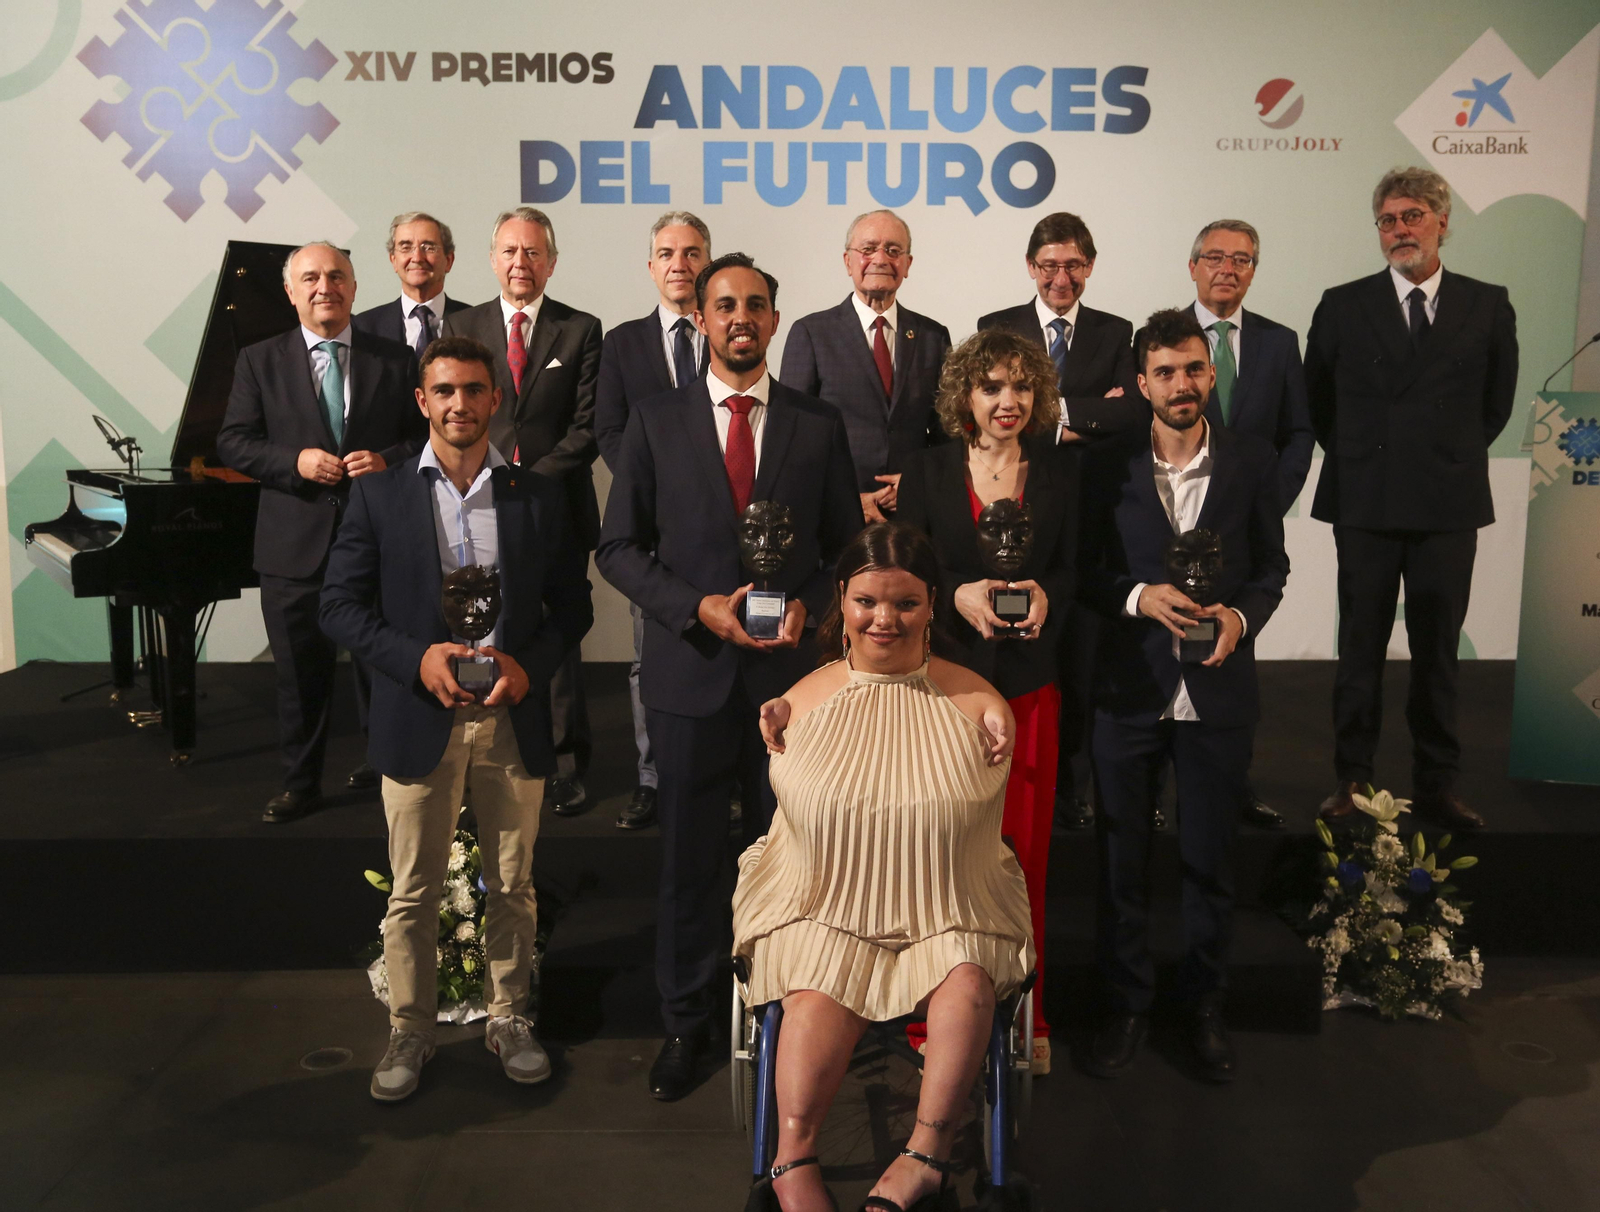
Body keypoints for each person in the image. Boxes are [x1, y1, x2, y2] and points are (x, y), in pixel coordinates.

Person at [596, 252, 862, 1102]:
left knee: (802, 858)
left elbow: (845, 551)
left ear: (775, 321)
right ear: (701, 320)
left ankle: (791, 1014)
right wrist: (696, 607)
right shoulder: (654, 418)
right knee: (688, 862)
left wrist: (811, 609)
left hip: (792, 682)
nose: (740, 317)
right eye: (723, 305)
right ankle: (686, 1019)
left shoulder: (818, 423)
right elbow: (619, 549)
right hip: (691, 676)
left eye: (755, 304)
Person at [320, 334, 592, 1102]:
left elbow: (573, 604)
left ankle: (508, 1015)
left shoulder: (534, 496)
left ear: (495, 399)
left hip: (511, 718)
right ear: (422, 400)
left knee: (513, 884)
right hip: (419, 715)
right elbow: (337, 606)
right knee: (412, 889)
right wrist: (417, 659)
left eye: (474, 390)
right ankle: (412, 1026)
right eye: (444, 391)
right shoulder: (380, 495)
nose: (460, 405)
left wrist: (524, 665)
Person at [735, 522, 1033, 1212]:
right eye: (868, 601)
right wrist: (787, 708)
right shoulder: (799, 703)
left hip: (949, 899)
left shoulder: (975, 706)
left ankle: (925, 1156)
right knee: (811, 988)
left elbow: (980, 814)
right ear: (842, 600)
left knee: (965, 984)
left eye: (906, 603)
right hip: (821, 898)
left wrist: (997, 716)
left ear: (934, 605)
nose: (885, 619)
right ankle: (791, 1156)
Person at [1078, 308, 1289, 1084]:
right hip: (1129, 689)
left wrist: (1239, 615)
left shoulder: (1253, 461)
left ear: (1211, 373)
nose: (1182, 384)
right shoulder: (1106, 466)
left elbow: (1272, 567)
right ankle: (1127, 1004)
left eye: (1194, 369)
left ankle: (1204, 1004)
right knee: (1120, 861)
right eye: (1165, 372)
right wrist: (1138, 598)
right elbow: (1088, 574)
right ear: (1141, 383)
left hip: (1220, 693)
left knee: (1209, 861)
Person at [1306, 167, 1518, 831]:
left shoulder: (1487, 303)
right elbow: (1320, 404)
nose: (1401, 230)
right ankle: (1353, 780)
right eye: (1390, 220)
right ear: (1379, 231)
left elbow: (1496, 405)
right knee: (1359, 650)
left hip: (1447, 504)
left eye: (1414, 216)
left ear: (1443, 223)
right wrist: (1371, 456)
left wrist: (1441, 455)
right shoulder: (1343, 304)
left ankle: (1437, 786)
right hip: (1365, 501)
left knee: (1438, 655)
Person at [897, 329, 1076, 1076]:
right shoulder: (930, 468)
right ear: (965, 397)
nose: (1008, 401)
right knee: (940, 857)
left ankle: (1025, 1014)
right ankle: (930, 1020)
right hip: (948, 691)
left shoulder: (1064, 473)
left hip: (1032, 689)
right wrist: (954, 596)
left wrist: (1046, 595)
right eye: (992, 387)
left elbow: (1078, 574)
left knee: (1023, 857)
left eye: (1021, 387)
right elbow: (903, 578)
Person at [217, 241, 424, 822]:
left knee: (384, 670)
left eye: (337, 276)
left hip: (378, 544)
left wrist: (388, 459)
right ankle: (300, 783)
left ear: (355, 288)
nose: (324, 286)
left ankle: (391, 775)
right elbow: (233, 441)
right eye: (310, 277)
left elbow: (422, 440)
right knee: (300, 678)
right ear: (291, 292)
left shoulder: (397, 358)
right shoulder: (260, 359)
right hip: (291, 547)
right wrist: (294, 462)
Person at [978, 212, 1142, 833]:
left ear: (1090, 267)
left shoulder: (1114, 331)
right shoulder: (997, 328)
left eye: (1073, 265)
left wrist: (1047, 412)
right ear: (1030, 267)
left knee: (1080, 655)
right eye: (1049, 265)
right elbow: (987, 410)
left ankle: (1070, 786)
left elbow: (1130, 416)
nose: (1061, 277)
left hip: (1091, 511)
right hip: (1012, 507)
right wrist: (1081, 417)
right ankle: (997, 774)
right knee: (1014, 648)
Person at [444, 207, 603, 817]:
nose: (521, 263)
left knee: (558, 636)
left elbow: (586, 426)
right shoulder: (461, 323)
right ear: (492, 260)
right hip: (472, 506)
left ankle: (564, 763)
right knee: (477, 624)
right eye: (510, 252)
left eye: (533, 253)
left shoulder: (581, 328)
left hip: (555, 506)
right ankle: (475, 755)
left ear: (552, 263)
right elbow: (452, 413)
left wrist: (524, 484)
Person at [1185, 219, 1315, 830]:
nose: (1227, 269)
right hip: (1172, 521)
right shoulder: (1164, 338)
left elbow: (1299, 431)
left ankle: (1233, 785)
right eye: (1215, 257)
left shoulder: (1279, 341)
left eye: (1241, 260)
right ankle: (1158, 789)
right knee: (1161, 649)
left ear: (1254, 272)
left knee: (1235, 646)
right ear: (1194, 267)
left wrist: (1270, 497)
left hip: (1244, 525)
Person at [595, 210, 713, 830]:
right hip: (653, 527)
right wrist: (654, 486)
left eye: (692, 253)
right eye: (667, 253)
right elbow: (609, 429)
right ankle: (651, 776)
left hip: (723, 530)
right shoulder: (623, 342)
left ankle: (724, 773)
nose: (679, 264)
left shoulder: (729, 331)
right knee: (649, 656)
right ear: (650, 267)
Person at [781, 209, 952, 523]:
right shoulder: (811, 333)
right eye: (868, 249)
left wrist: (919, 483)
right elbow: (791, 437)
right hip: (837, 514)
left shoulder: (933, 336)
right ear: (848, 261)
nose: (881, 259)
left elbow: (946, 435)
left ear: (907, 264)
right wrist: (844, 497)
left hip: (913, 514)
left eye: (893, 250)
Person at [352, 211, 471, 359]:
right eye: (406, 247)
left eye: (428, 247)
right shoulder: (364, 327)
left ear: (449, 260)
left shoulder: (475, 323)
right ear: (393, 260)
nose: (417, 258)